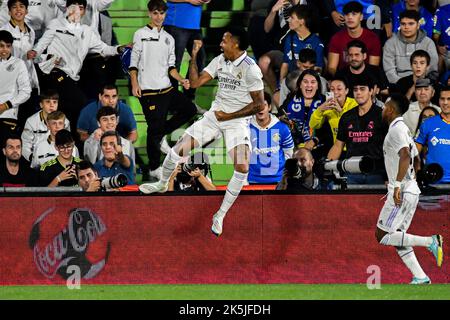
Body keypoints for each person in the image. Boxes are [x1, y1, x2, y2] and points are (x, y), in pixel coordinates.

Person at [139, 27, 265, 237]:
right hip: (215, 117)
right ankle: (161, 184)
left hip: (237, 122)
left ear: (236, 43)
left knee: (242, 167)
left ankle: (220, 214)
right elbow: (195, 83)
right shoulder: (220, 59)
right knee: (178, 150)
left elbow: (259, 105)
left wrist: (230, 116)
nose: (221, 43)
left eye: (225, 39)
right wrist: (194, 56)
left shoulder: (251, 69)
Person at [27, 0, 127, 136]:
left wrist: (119, 48)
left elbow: (104, 48)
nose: (77, 11)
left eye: (81, 8)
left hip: (71, 77)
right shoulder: (56, 24)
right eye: (74, 7)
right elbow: (40, 46)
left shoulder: (87, 31)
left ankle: (67, 142)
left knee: (66, 112)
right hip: (54, 72)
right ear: (67, 8)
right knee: (81, 104)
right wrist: (35, 54)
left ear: (84, 11)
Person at [375, 93, 443, 285]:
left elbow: (405, 156)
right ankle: (421, 277)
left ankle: (430, 241)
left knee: (382, 235)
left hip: (402, 190)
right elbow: (415, 157)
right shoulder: (403, 128)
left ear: (390, 109)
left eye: (384, 106)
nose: (382, 109)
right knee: (398, 238)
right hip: (409, 189)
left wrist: (397, 185)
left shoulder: (396, 130)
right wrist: (412, 179)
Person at [129, 0, 197, 180]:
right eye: (155, 13)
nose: (159, 17)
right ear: (149, 14)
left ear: (166, 14)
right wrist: (135, 83)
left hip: (166, 89)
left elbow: (171, 67)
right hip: (148, 91)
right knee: (154, 129)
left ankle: (159, 136)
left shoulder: (170, 38)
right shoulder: (140, 34)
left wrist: (181, 79)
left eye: (162, 13)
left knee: (190, 109)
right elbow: (133, 62)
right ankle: (153, 167)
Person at [327, 75, 386, 184]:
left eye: (362, 89)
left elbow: (390, 148)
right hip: (352, 173)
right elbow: (338, 145)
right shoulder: (346, 117)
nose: (358, 92)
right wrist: (327, 165)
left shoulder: (381, 115)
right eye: (355, 90)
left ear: (371, 91)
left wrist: (388, 176)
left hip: (377, 173)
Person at [1, 0, 40, 130]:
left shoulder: (31, 32)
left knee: (29, 126)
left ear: (27, 10)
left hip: (29, 84)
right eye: (14, 7)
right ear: (9, 11)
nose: (18, 10)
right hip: (13, 89)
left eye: (21, 6)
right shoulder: (3, 31)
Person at [163, 0, 207, 99]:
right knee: (173, 65)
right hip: (176, 24)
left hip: (195, 25)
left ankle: (187, 100)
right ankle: (173, 102)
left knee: (199, 61)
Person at [248, 92, 294, 184]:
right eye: (257, 106)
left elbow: (289, 153)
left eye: (264, 105)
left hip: (278, 180)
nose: (260, 109)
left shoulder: (282, 128)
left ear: (269, 107)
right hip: (253, 180)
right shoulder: (246, 127)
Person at [383, 10, 438, 85]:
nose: (406, 27)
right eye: (403, 24)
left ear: (418, 25)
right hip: (398, 84)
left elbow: (432, 71)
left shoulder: (428, 43)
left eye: (411, 24)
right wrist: (403, 84)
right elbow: (389, 72)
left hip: (423, 84)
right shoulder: (390, 43)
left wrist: (419, 83)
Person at [327, 1, 381, 76]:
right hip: (343, 80)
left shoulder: (373, 38)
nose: (350, 17)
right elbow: (332, 68)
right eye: (347, 14)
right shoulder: (336, 38)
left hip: (366, 81)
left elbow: (373, 69)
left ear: (361, 17)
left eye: (354, 14)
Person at [21, 89, 70, 162]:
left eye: (55, 102)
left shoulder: (65, 121)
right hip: (38, 159)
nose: (52, 105)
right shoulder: (31, 122)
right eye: (48, 102)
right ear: (41, 105)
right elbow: (25, 143)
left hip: (58, 158)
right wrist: (32, 158)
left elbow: (67, 142)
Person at [0, 29, 31, 144]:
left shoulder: (18, 64)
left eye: (8, 46)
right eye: (1, 46)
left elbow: (26, 92)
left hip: (7, 116)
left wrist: (5, 105)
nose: (5, 50)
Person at [279, 69, 324, 147]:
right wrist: (281, 118)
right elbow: (280, 114)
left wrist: (315, 140)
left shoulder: (324, 101)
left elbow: (328, 131)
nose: (309, 85)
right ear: (300, 84)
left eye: (313, 82)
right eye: (305, 82)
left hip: (317, 148)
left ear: (317, 86)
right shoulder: (291, 98)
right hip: (292, 146)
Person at [415, 87, 450, 184]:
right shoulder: (428, 124)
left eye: (449, 99)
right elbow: (415, 150)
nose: (445, 103)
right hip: (433, 182)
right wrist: (417, 169)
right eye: (442, 99)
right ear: (438, 100)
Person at [309, 76, 358, 145]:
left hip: (354, 146)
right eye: (332, 89)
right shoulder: (328, 106)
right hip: (337, 148)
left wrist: (340, 111)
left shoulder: (355, 104)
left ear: (346, 91)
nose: (335, 92)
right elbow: (313, 125)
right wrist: (320, 109)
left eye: (339, 89)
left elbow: (356, 126)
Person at [432, 2, 450, 72]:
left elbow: (436, 35)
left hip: (446, 52)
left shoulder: (440, 11)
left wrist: (438, 46)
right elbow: (436, 35)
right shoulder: (440, 11)